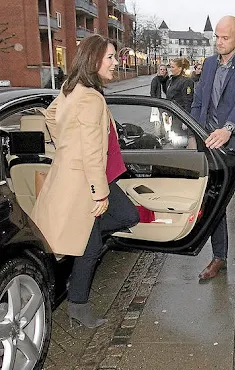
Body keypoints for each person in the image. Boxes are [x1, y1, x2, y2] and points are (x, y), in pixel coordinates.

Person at [32, 34, 140, 328]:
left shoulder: (71, 90)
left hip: (78, 176)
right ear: (94, 60)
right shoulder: (91, 97)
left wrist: (66, 143)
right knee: (92, 244)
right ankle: (78, 306)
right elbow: (93, 152)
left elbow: (50, 115)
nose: (116, 63)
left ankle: (76, 290)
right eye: (110, 58)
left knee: (123, 218)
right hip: (86, 182)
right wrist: (98, 194)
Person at [190, 16, 235, 289]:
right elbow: (199, 102)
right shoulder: (208, 65)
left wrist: (228, 129)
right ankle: (219, 257)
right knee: (215, 207)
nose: (219, 42)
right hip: (212, 148)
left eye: (225, 38)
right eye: (217, 37)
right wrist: (195, 133)